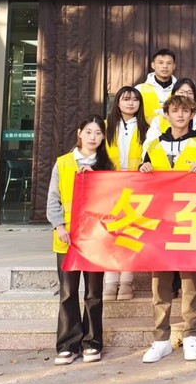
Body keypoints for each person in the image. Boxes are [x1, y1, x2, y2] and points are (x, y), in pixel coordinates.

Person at [138, 94, 196, 363]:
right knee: (160, 284)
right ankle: (161, 339)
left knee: (190, 282)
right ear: (166, 115)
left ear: (192, 114)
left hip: (190, 220)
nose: (180, 115)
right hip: (160, 222)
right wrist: (143, 168)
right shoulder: (154, 145)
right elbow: (142, 183)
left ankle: (191, 335)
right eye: (175, 110)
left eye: (185, 111)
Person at [47, 115, 114, 365]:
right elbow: (53, 199)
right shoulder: (63, 162)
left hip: (95, 238)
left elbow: (114, 201)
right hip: (67, 237)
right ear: (79, 133)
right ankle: (68, 344)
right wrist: (59, 226)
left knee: (94, 293)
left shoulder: (107, 166)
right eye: (88, 132)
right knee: (68, 292)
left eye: (97, 133)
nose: (92, 137)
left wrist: (96, 177)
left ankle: (92, 343)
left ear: (103, 137)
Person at [102, 86, 150, 301]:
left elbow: (151, 156)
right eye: (126, 99)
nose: (131, 103)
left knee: (130, 233)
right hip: (109, 186)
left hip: (136, 186)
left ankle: (127, 280)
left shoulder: (147, 128)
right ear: (118, 102)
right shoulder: (105, 127)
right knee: (111, 233)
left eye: (135, 100)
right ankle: (111, 280)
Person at [143, 78, 196, 150]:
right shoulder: (160, 119)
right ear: (173, 95)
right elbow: (150, 145)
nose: (185, 96)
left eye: (190, 93)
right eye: (181, 92)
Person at [135, 48, 177, 123]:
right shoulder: (139, 89)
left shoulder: (180, 90)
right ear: (153, 65)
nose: (165, 66)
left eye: (169, 63)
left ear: (174, 66)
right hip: (146, 130)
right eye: (161, 63)